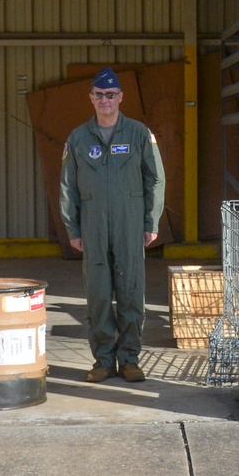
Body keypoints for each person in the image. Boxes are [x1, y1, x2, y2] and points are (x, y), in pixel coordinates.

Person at [59, 67, 166, 383]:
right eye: (99, 95)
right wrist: (73, 229)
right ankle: (103, 360)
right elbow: (68, 186)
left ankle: (129, 359)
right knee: (99, 294)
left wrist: (151, 220)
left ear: (120, 97)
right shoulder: (78, 138)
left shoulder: (138, 134)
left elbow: (155, 178)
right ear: (91, 98)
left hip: (130, 223)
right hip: (93, 226)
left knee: (131, 290)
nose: (104, 100)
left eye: (110, 94)